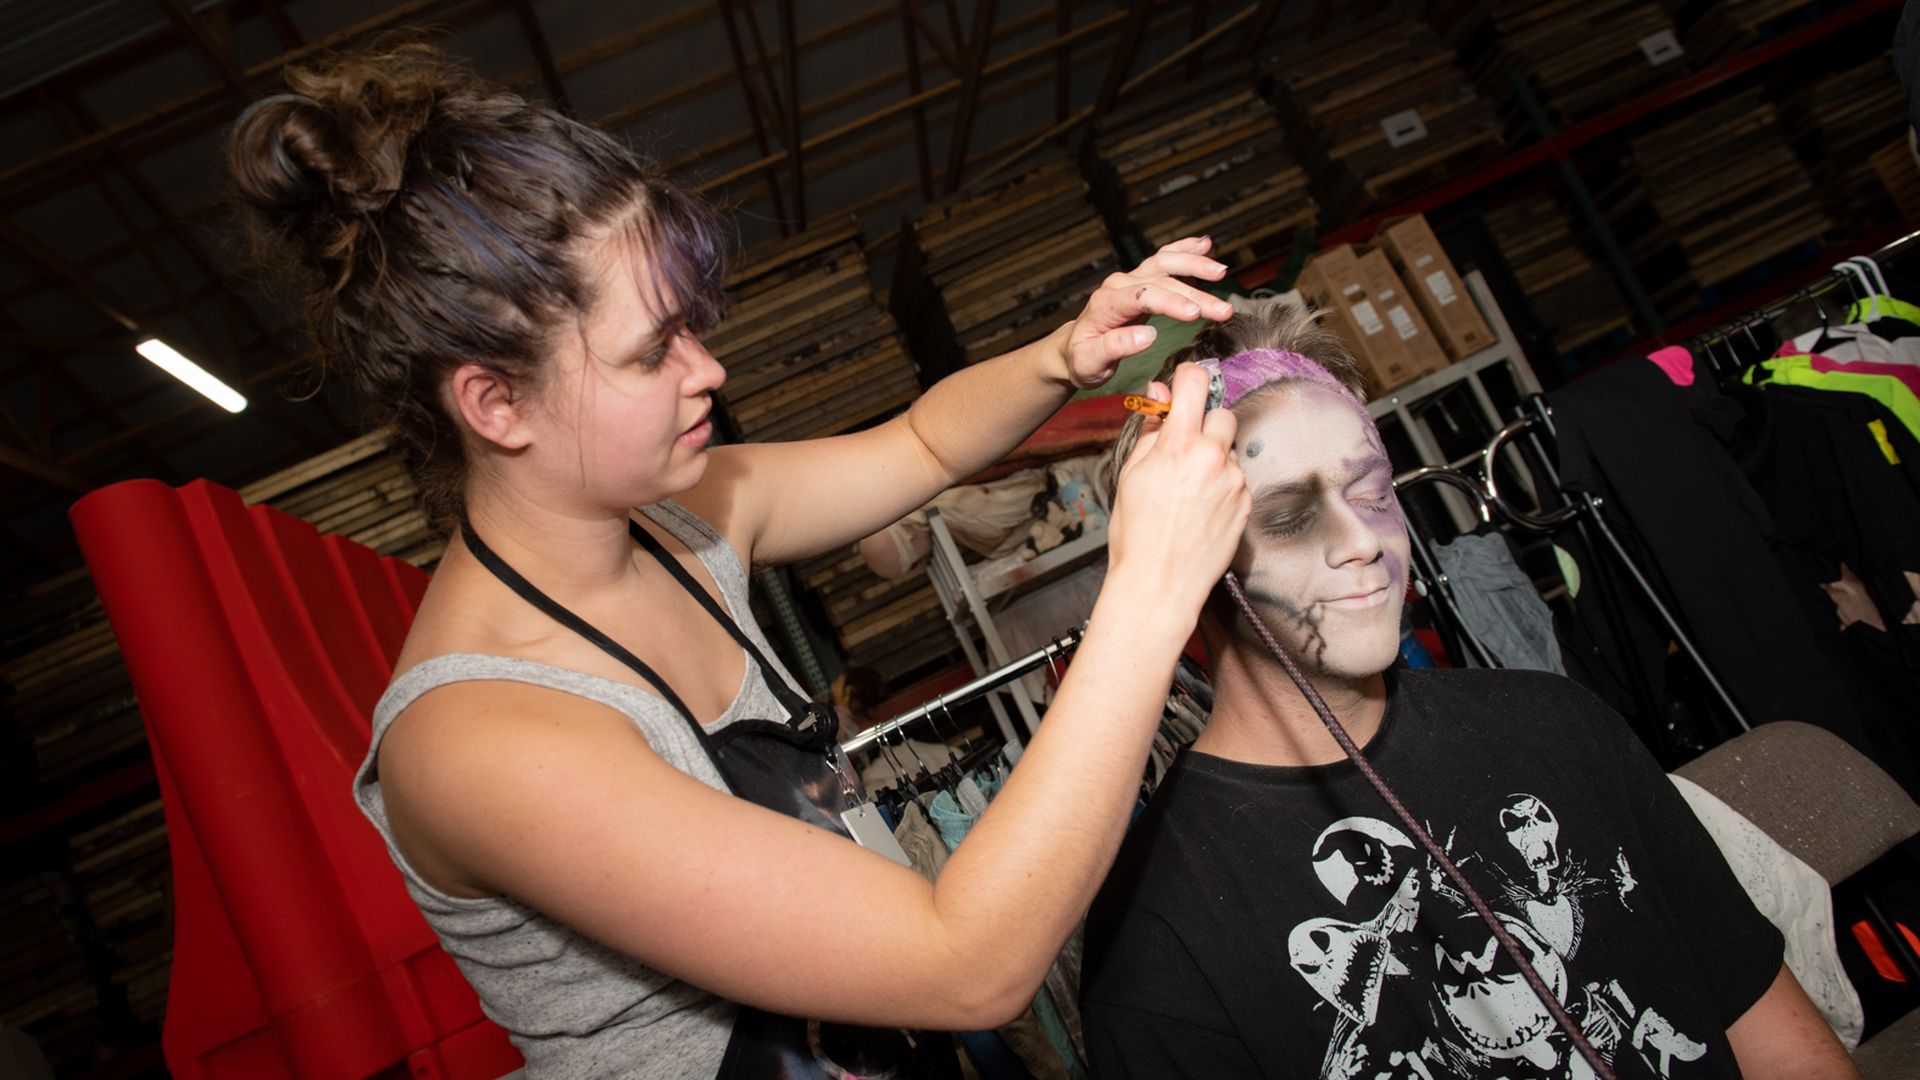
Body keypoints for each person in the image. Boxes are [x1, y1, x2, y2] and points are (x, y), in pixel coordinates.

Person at [227, 43, 1248, 1078]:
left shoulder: (683, 523)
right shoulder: (479, 737)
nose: (707, 370)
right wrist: (1151, 592)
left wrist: (1064, 355)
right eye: (650, 351)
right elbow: (966, 962)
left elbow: (922, 447)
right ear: (497, 404)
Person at [1078, 299, 1860, 1079]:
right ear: (1186, 573)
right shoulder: (1158, 934)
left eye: (1374, 494)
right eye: (1287, 518)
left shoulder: (1558, 725)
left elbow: (1777, 1039)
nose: (1362, 544)